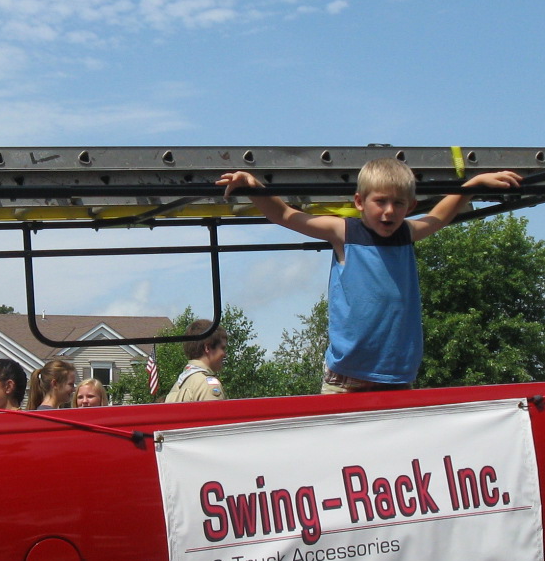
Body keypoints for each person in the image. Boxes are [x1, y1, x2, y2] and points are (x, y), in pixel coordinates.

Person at [218, 156, 521, 392]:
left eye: (398, 203)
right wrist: (253, 187)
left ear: (410, 206)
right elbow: (284, 214)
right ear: (360, 202)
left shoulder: (408, 233)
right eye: (380, 201)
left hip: (398, 375)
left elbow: (439, 215)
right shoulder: (345, 232)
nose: (389, 211)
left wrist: (472, 185)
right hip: (346, 379)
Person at [165, 320, 227, 403]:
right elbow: (215, 415)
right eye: (222, 348)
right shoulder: (207, 385)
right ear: (207, 348)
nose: (225, 354)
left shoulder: (178, 385)